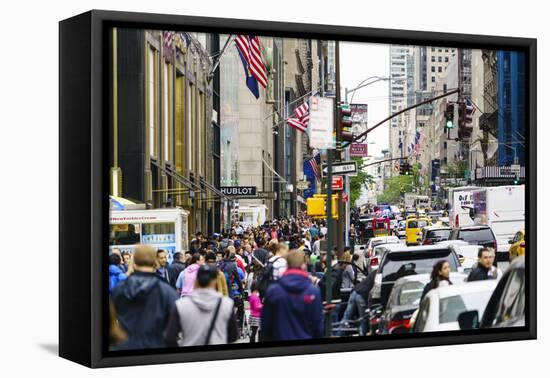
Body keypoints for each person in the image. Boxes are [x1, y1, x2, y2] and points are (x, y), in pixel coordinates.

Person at [111, 245, 179, 350]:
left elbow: (110, 322)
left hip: (124, 351)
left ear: (134, 261)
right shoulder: (166, 291)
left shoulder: (119, 288)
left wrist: (122, 341)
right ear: (155, 261)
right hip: (157, 349)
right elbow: (174, 327)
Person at [165, 264, 238, 346]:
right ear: (215, 281)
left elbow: (169, 338)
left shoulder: (180, 305)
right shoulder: (227, 304)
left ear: (196, 280)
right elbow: (233, 336)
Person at [261, 250, 324, 341]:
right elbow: (318, 326)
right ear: (304, 265)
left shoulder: (274, 291)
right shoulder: (313, 292)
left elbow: (266, 326)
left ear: (287, 265)